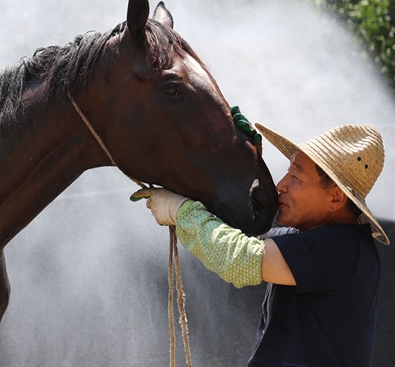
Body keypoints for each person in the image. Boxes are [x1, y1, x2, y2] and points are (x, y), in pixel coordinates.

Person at [132, 123, 389, 367]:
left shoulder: (339, 247)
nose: (281, 185)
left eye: (296, 176)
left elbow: (239, 257)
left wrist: (182, 211)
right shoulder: (319, 241)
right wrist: (236, 154)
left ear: (335, 197)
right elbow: (233, 233)